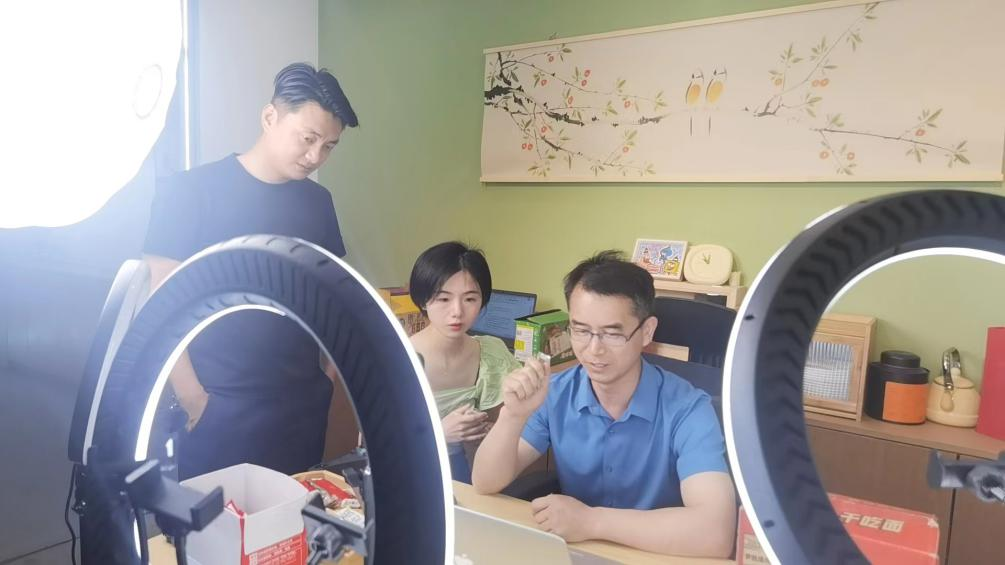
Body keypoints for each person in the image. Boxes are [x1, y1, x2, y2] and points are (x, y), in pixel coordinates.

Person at [143, 62, 359, 479]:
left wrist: (327, 378)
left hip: (301, 403)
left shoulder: (318, 203)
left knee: (294, 515)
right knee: (215, 518)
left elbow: (331, 296)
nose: (316, 157)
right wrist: (192, 397)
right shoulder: (189, 192)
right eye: (308, 139)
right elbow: (160, 303)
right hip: (219, 402)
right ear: (269, 117)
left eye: (329, 146)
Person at [472, 251, 736, 557]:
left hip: (660, 555)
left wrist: (591, 521)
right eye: (581, 330)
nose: (594, 349)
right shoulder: (555, 393)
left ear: (646, 331)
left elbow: (716, 533)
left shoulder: (689, 409)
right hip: (578, 553)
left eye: (612, 333)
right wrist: (512, 416)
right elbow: (485, 482)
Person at [408, 242, 521, 483]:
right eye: (443, 299)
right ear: (423, 300)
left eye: (470, 299)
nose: (457, 312)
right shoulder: (399, 357)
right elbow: (368, 442)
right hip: (408, 473)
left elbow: (504, 428)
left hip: (463, 473)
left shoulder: (489, 354)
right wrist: (439, 434)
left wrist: (488, 432)